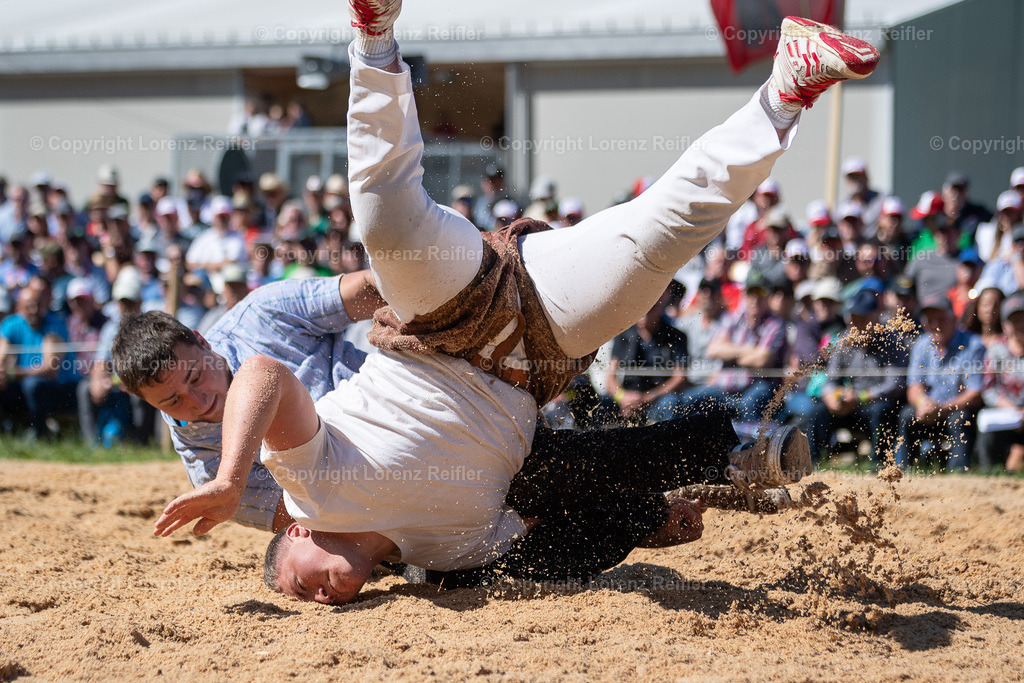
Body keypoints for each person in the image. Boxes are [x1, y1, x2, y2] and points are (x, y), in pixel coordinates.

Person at [139, 6, 874, 600]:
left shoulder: (309, 485)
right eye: (175, 400)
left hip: (438, 321)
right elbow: (557, 517)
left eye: (296, 590)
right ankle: (787, 88)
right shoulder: (456, 556)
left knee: (388, 218)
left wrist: (232, 475)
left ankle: (374, 40)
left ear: (293, 537)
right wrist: (649, 521)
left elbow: (264, 372)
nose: (316, 601)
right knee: (666, 235)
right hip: (541, 359)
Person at [805, 289, 907, 466]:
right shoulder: (843, 341)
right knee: (818, 411)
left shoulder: (892, 342)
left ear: (876, 317)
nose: (856, 325)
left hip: (877, 403)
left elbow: (894, 384)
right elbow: (831, 381)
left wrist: (860, 397)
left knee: (881, 410)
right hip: (849, 404)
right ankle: (811, 464)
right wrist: (831, 397)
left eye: (862, 319)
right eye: (852, 319)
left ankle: (879, 466)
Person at [896, 294, 985, 471]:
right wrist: (923, 404)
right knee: (907, 415)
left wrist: (943, 408)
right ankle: (901, 471)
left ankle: (959, 473)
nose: (935, 325)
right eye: (930, 320)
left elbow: (975, 393)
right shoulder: (921, 344)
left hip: (957, 410)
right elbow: (914, 386)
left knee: (960, 419)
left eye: (941, 319)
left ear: (954, 319)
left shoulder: (973, 345)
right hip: (928, 410)